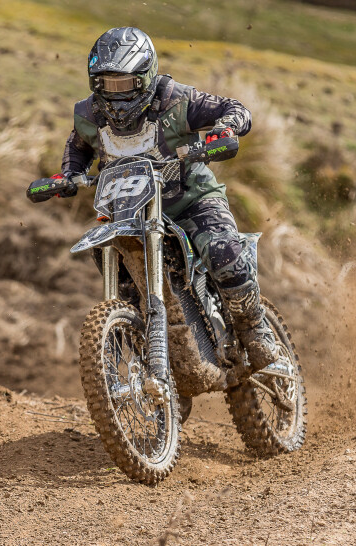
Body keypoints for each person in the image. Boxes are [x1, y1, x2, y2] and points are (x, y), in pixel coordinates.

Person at [50, 26, 278, 370]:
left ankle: (254, 327)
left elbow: (234, 108)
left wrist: (225, 128)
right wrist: (68, 175)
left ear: (145, 76)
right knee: (117, 268)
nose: (116, 95)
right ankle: (148, 360)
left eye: (124, 84)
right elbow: (78, 146)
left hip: (192, 200)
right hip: (129, 213)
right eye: (107, 84)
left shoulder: (176, 100)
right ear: (94, 82)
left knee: (222, 253)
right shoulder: (88, 114)